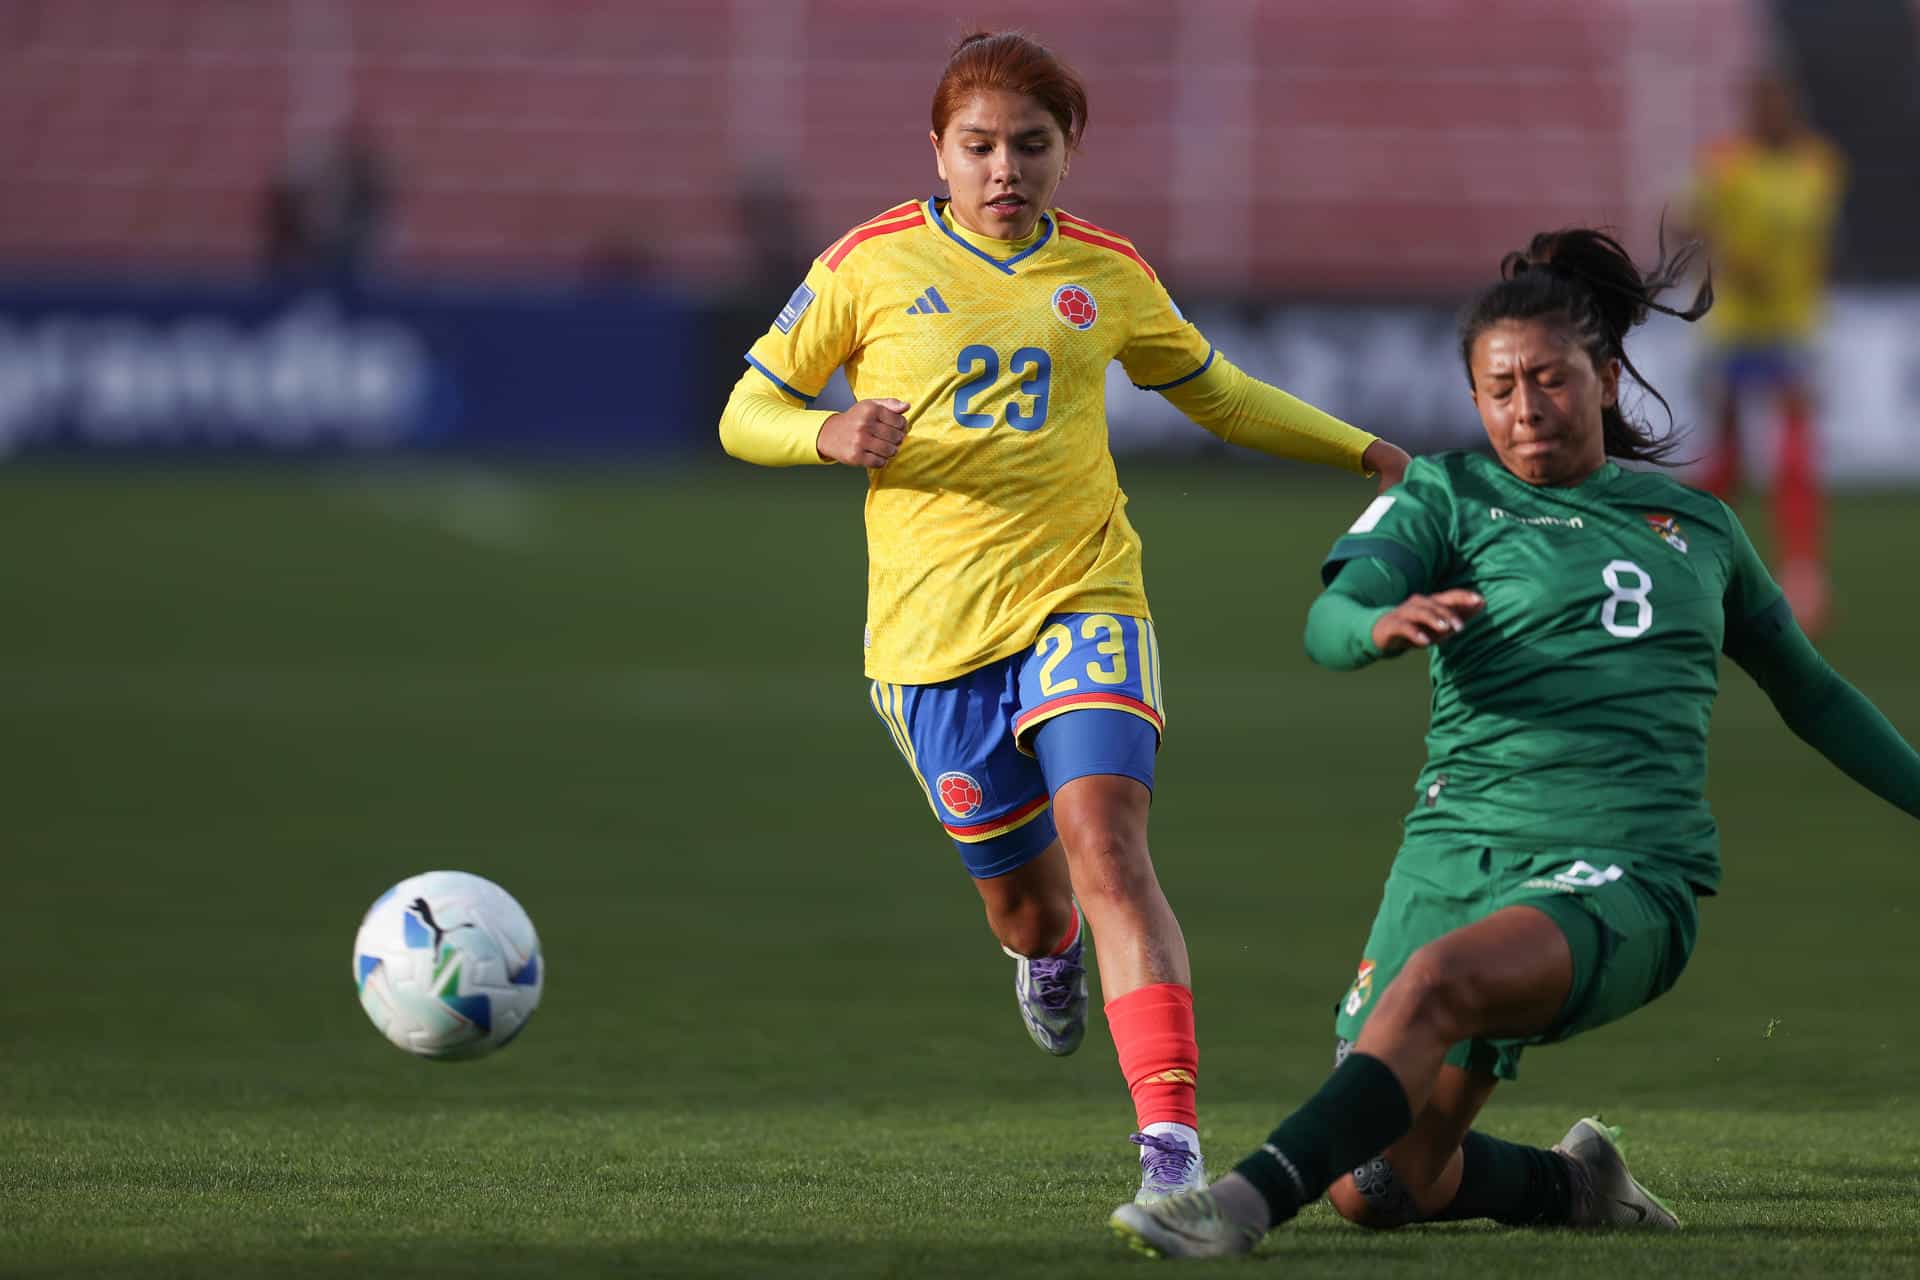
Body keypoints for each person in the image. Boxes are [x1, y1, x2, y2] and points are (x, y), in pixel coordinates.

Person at [1109, 226, 1920, 1256]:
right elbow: (1330, 619)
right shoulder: (1445, 494)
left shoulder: (1696, 526)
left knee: (1439, 983)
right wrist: (1377, 626)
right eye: (1499, 389)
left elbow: (1814, 693)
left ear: (1609, 379)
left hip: (1627, 866)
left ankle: (1236, 1203)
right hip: (1456, 854)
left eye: (1549, 379)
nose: (1525, 409)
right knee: (1382, 1183)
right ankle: (1583, 1184)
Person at [718, 30, 1410, 1202]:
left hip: (1083, 589)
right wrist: (822, 431)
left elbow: (1220, 392)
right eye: (978, 146)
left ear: (1070, 150)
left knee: (1108, 843)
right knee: (1036, 909)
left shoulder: (1107, 272)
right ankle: (1045, 959)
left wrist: (1366, 452)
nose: (1004, 170)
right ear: (935, 148)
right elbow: (746, 409)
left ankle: (1172, 1150)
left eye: (1030, 146)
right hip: (930, 642)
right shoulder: (868, 265)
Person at [1688, 69, 1846, 633]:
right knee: (1727, 451)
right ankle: (1686, 545)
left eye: (1776, 103)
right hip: (1733, 326)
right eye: (1760, 103)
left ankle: (1802, 573)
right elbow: (1693, 224)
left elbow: (1814, 242)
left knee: (1795, 449)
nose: (1768, 113)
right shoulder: (1725, 164)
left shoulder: (1819, 165)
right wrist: (1730, 258)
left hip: (1792, 325)